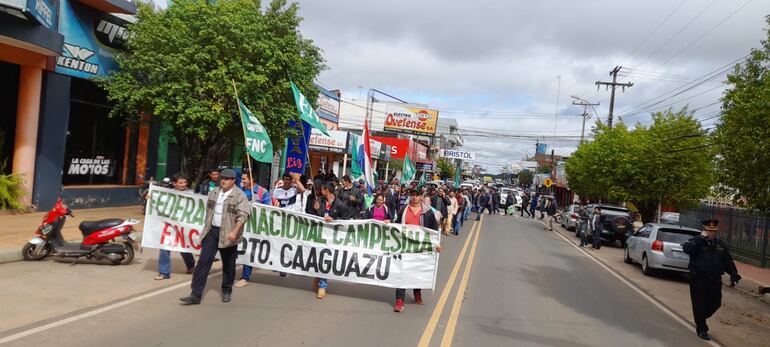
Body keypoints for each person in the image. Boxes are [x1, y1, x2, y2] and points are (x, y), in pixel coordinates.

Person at [179, 169, 250, 305]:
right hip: (211, 232)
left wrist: (234, 232)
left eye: (227, 178)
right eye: (222, 178)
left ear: (233, 181)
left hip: (229, 234)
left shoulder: (239, 195)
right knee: (203, 262)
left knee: (229, 264)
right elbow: (208, 211)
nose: (223, 180)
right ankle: (195, 294)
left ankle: (227, 290)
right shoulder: (214, 192)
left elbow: (243, 215)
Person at [682, 219, 741, 341]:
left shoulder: (720, 245)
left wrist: (734, 275)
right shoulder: (696, 241)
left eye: (714, 231)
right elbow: (687, 249)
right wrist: (701, 238)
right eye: (709, 231)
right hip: (698, 279)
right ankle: (702, 328)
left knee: (716, 303)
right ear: (705, 230)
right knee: (699, 304)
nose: (712, 233)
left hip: (715, 280)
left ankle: (700, 317)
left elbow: (728, 261)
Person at [393, 188, 442, 312]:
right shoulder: (404, 209)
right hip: (405, 245)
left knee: (417, 270)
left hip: (420, 247)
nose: (414, 197)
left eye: (417, 195)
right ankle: (399, 300)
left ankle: (417, 292)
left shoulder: (428, 212)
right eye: (412, 195)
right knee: (401, 271)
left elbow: (433, 230)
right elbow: (398, 224)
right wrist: (389, 224)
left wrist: (436, 244)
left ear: (421, 197)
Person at [234, 170, 272, 288]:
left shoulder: (262, 192)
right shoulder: (240, 192)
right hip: (239, 225)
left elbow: (269, 210)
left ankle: (245, 277)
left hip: (254, 228)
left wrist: (256, 207)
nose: (242, 181)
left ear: (251, 180)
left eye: (244, 179)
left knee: (249, 250)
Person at [155, 175, 196, 280]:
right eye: (180, 182)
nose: (183, 185)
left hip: (183, 227)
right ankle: (164, 273)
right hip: (169, 226)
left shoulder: (191, 194)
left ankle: (191, 265)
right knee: (165, 247)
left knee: (183, 246)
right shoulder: (167, 194)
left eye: (184, 182)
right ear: (174, 183)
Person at [312, 181, 346, 299]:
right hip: (319, 235)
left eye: (322, 189)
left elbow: (345, 220)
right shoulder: (320, 201)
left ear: (327, 190)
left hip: (332, 238)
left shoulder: (340, 204)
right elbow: (315, 216)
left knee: (325, 259)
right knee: (317, 258)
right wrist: (317, 210)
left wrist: (334, 219)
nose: (320, 192)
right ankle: (318, 276)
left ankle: (323, 285)